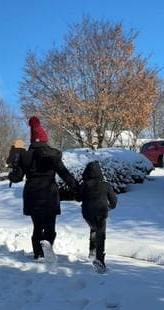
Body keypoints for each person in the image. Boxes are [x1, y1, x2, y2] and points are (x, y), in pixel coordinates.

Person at [8, 116, 78, 259]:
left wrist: (12, 173)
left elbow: (17, 178)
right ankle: (46, 251)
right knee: (50, 228)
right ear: (45, 139)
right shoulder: (53, 155)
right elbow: (65, 174)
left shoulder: (25, 156)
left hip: (32, 195)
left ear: (32, 140)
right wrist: (77, 187)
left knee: (38, 226)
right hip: (49, 195)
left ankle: (38, 254)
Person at [77, 160, 117, 272]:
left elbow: (78, 197)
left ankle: (92, 252)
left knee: (93, 229)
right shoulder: (106, 185)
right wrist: (110, 207)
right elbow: (113, 200)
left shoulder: (84, 185)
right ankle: (99, 259)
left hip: (87, 213)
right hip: (101, 212)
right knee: (100, 235)